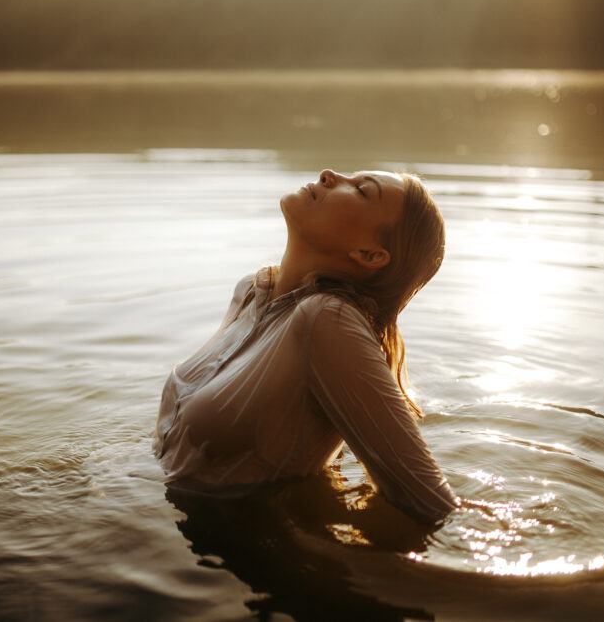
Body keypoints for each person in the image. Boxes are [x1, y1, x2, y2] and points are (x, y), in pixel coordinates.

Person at [153, 169, 457, 524]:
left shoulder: (327, 320)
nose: (330, 174)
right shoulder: (252, 291)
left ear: (369, 254)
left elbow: (430, 499)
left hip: (211, 561)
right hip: (144, 519)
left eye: (360, 190)